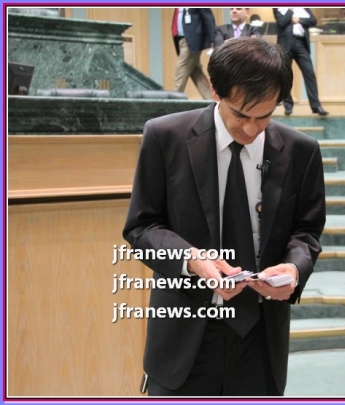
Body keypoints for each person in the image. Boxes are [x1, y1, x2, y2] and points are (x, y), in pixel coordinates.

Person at [123, 38, 326, 396]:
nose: (250, 130)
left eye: (264, 117)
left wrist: (294, 270)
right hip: (184, 339)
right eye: (240, 115)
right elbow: (143, 227)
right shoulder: (165, 137)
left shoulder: (302, 151)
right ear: (215, 90)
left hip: (260, 339)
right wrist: (192, 260)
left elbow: (306, 232)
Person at [273, 8, 329, 116]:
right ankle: (288, 105)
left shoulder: (303, 6)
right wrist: (290, 10)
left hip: (301, 44)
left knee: (309, 73)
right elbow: (281, 22)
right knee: (285, 75)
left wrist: (299, 20)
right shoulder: (278, 7)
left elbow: (313, 20)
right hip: (285, 44)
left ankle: (316, 105)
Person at [171, 8, 215, 99]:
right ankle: (213, 100)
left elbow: (208, 16)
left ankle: (174, 102)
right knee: (196, 72)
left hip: (192, 40)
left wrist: (213, 39)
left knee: (181, 69)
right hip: (180, 40)